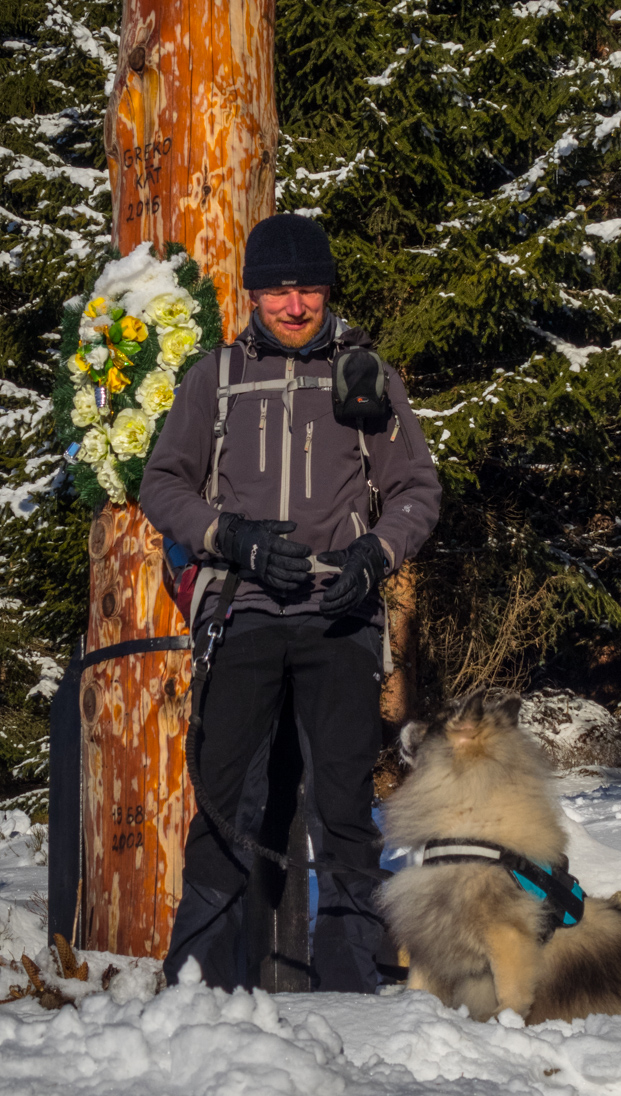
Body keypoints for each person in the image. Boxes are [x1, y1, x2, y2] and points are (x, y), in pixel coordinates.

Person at [139, 213, 441, 994]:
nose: (295, 305)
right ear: (253, 294)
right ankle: (202, 981)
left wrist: (374, 557)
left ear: (328, 289)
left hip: (337, 614)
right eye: (277, 290)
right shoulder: (217, 375)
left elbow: (415, 490)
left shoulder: (365, 373)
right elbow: (162, 484)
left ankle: (351, 983)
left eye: (308, 287)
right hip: (241, 609)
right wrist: (229, 537)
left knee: (341, 802)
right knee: (224, 799)